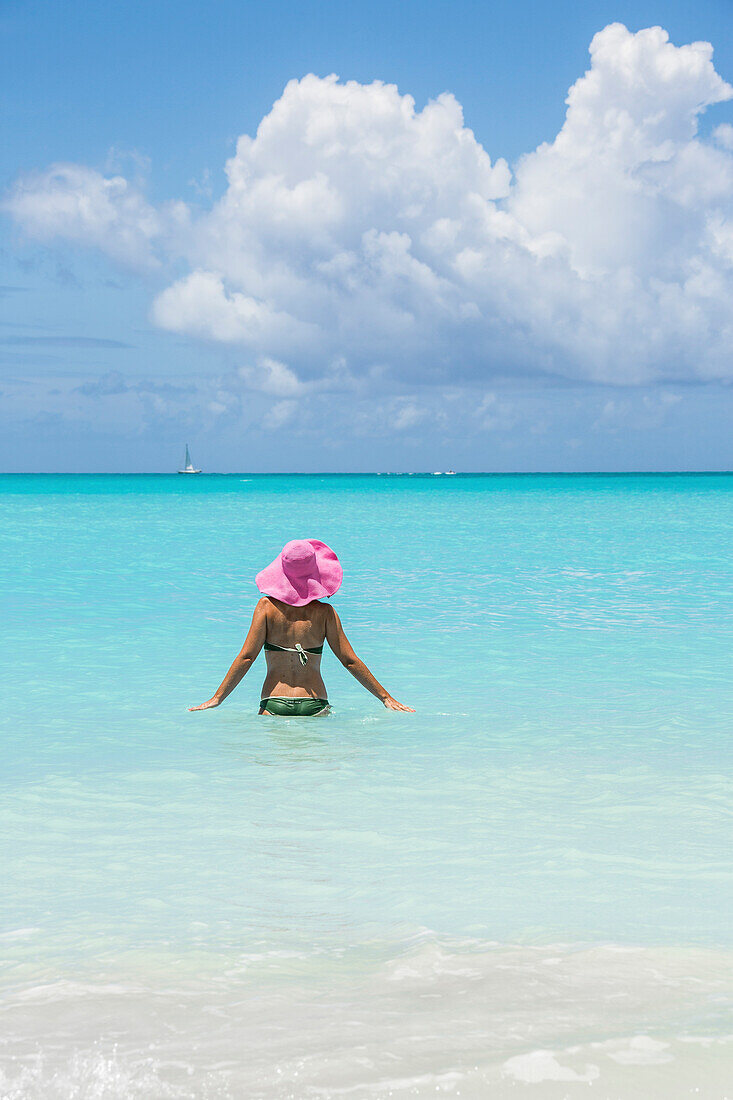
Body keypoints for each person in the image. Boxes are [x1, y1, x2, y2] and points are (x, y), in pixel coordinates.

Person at [189, 539, 414, 716]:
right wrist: (385, 697)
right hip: (315, 704)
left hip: (274, 701)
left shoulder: (266, 607)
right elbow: (350, 661)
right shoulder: (325, 612)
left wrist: (217, 698)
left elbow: (247, 657)